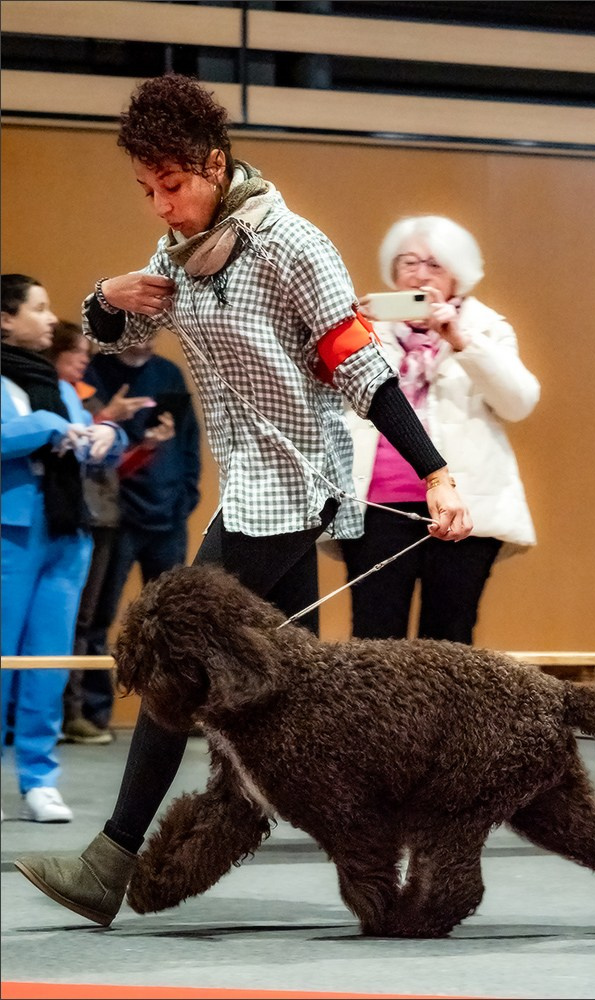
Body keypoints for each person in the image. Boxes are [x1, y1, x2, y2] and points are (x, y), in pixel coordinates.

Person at [14, 74, 471, 923]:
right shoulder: (174, 255)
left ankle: (110, 860)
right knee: (286, 698)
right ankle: (372, 851)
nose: (160, 207)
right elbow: (131, 339)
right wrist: (103, 301)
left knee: (173, 654)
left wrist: (436, 471)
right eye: (146, 191)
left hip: (295, 483)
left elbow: (363, 369)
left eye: (173, 186)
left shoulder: (296, 245)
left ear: (215, 165)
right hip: (249, 479)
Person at [340, 216, 540, 643]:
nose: (419, 274)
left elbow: (519, 402)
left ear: (459, 274)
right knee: (374, 644)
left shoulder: (486, 329)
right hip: (378, 507)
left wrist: (459, 338)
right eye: (408, 262)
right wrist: (350, 329)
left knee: (449, 642)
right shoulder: (368, 329)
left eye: (434, 264)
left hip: (462, 514)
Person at [1, 276, 126, 822]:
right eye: (40, 308)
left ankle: (39, 777)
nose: (52, 319)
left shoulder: (55, 382)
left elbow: (92, 438)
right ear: (5, 319)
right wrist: (49, 426)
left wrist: (108, 438)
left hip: (65, 532)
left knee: (50, 660)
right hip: (11, 533)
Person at [44, 322, 174, 745]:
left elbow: (110, 460)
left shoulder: (81, 393)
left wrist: (145, 443)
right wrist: (106, 418)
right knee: (74, 621)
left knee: (88, 618)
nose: (85, 358)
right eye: (76, 352)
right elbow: (70, 448)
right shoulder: (52, 393)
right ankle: (66, 713)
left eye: (86, 351)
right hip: (69, 516)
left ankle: (73, 713)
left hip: (102, 514)